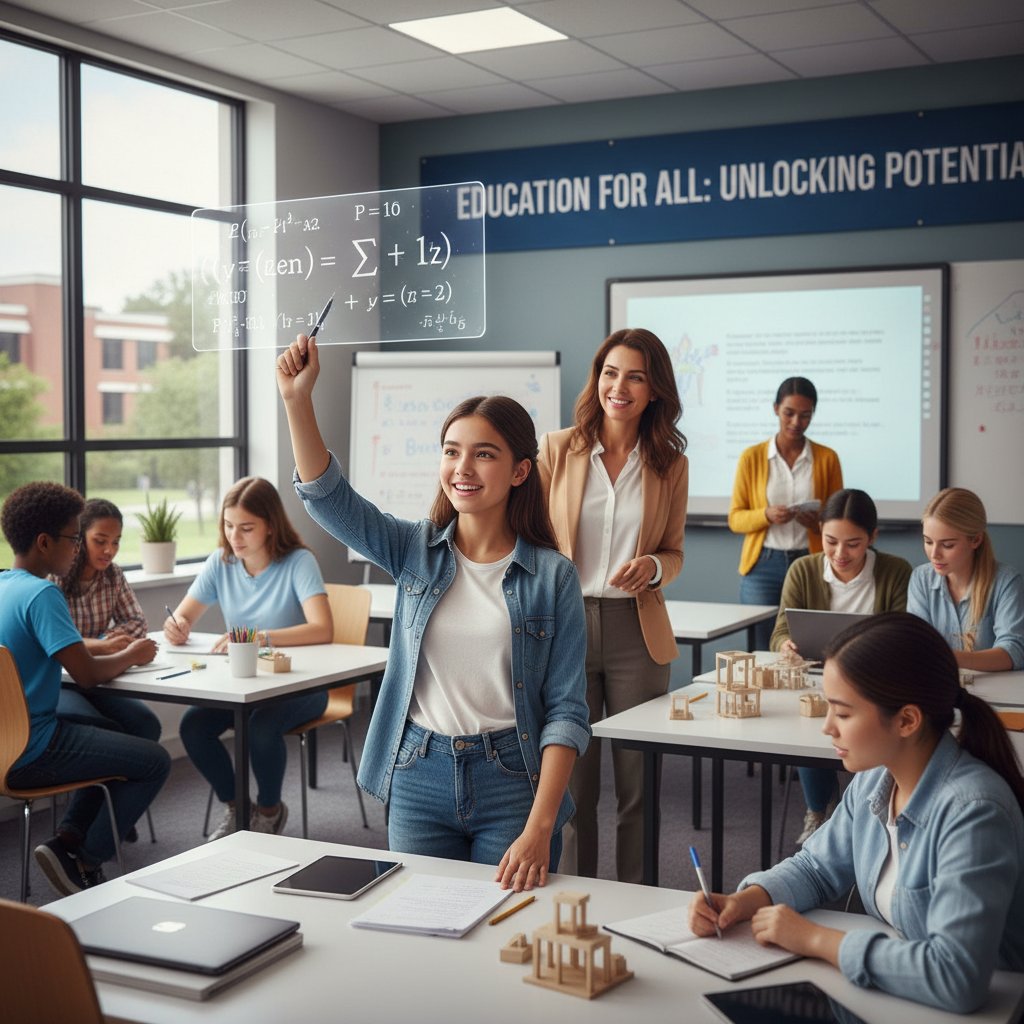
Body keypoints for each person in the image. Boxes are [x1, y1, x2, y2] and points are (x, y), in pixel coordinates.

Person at [277, 332, 591, 893]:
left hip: (513, 780)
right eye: (451, 451)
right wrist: (297, 400)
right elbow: (328, 498)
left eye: (484, 453)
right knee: (420, 927)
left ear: (520, 471)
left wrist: (542, 825)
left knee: (503, 938)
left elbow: (567, 712)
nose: (462, 467)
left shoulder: (553, 577)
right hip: (418, 772)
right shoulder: (413, 551)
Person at [690, 612, 1024, 1014]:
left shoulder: (973, 812)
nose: (827, 727)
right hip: (899, 999)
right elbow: (816, 868)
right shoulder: (876, 780)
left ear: (906, 720)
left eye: (843, 713)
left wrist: (815, 939)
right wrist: (748, 900)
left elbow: (956, 977)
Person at [538, 327, 688, 883]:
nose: (618, 387)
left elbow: (673, 552)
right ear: (596, 378)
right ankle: (578, 898)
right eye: (609, 372)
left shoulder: (669, 462)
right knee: (571, 784)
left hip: (636, 633)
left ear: (654, 391)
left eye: (635, 376)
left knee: (637, 785)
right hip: (564, 626)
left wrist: (652, 566)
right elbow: (529, 537)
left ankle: (635, 897)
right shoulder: (558, 448)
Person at [0, 482, 170, 896]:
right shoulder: (42, 594)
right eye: (75, 538)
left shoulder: (5, 584)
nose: (77, 548)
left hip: (6, 742)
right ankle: (82, 857)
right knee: (155, 761)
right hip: (34, 747)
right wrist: (131, 655)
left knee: (124, 735)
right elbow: (89, 675)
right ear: (44, 542)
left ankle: (72, 837)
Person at [163, 477, 333, 841]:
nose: (234, 537)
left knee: (260, 726)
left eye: (245, 528)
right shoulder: (220, 563)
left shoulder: (298, 562)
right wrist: (175, 626)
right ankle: (238, 808)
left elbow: (323, 629)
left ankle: (269, 812)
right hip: (244, 685)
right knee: (194, 726)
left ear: (270, 525)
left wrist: (261, 637)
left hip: (302, 685)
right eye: (227, 526)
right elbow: (183, 618)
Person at [769, 488, 912, 844]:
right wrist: (785, 646)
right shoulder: (803, 569)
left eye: (853, 544)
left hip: (875, 686)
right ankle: (818, 810)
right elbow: (780, 632)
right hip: (817, 682)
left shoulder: (895, 571)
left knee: (880, 727)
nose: (839, 554)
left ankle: (873, 816)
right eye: (831, 541)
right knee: (808, 724)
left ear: (872, 538)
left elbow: (902, 636)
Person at [729, 377, 843, 650]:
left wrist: (817, 524)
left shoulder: (827, 458)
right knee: (761, 646)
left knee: (812, 643)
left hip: (811, 560)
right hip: (763, 565)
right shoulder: (752, 457)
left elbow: (840, 520)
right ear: (775, 409)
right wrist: (766, 515)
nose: (796, 422)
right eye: (788, 413)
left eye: (805, 416)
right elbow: (735, 518)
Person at [49, 498, 162, 746]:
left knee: (147, 726)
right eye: (100, 541)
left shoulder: (113, 574)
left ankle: (113, 785)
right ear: (79, 539)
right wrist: (103, 646)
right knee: (100, 729)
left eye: (116, 542)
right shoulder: (54, 577)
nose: (109, 550)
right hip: (60, 680)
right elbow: (55, 642)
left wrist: (102, 643)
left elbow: (136, 622)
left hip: (100, 674)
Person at [908, 487, 1024, 672]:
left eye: (947, 545)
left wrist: (946, 657)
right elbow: (916, 645)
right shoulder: (921, 579)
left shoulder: (1006, 581)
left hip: (996, 692)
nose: (934, 554)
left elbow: (1014, 652)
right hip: (938, 687)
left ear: (976, 540)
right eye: (928, 542)